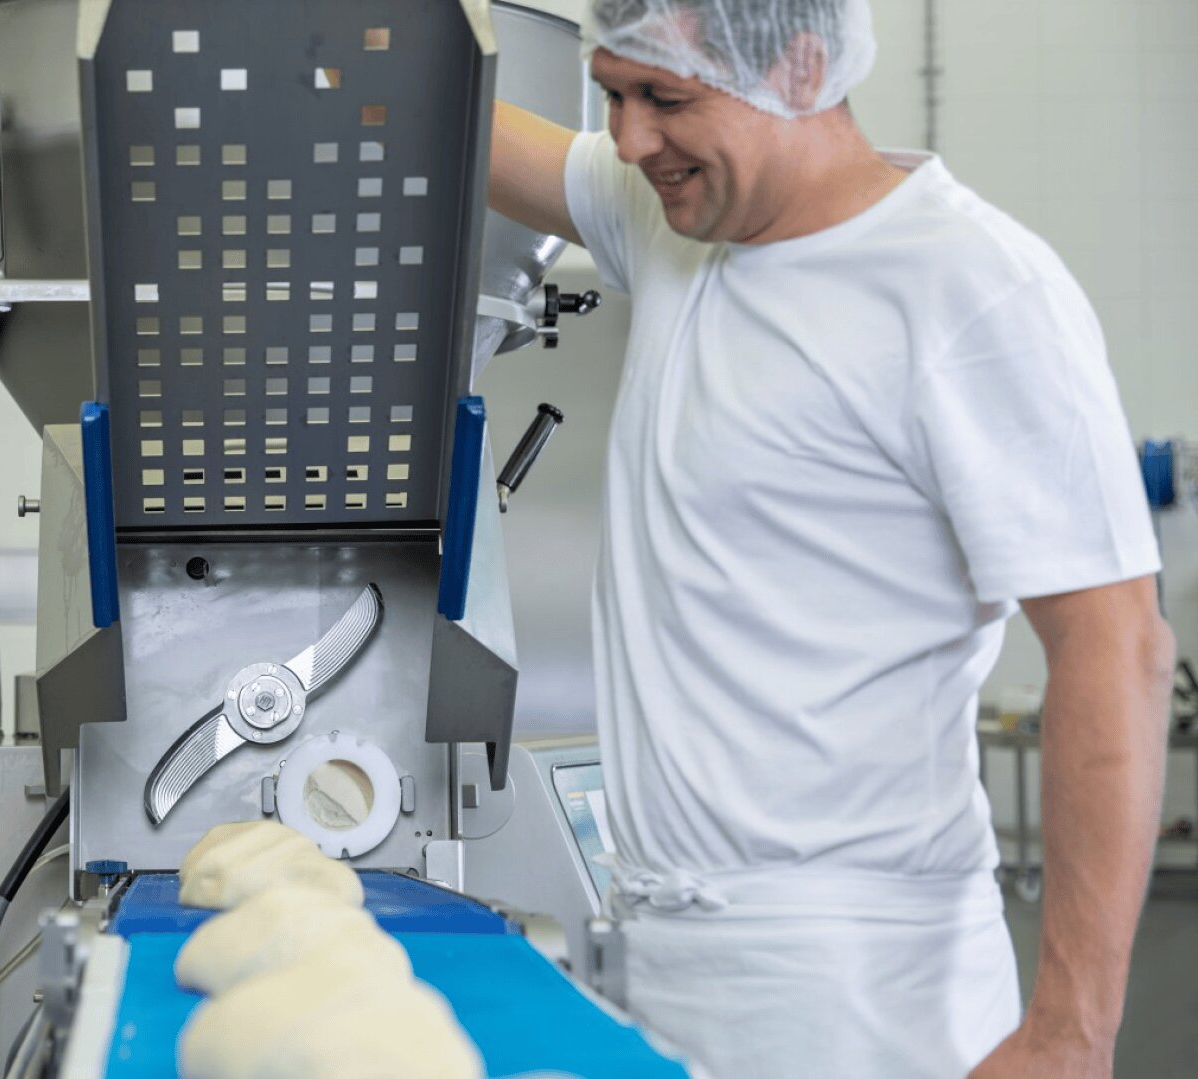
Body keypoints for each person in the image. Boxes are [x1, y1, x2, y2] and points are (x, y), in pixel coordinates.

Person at [486, 2, 1176, 1076]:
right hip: (664, 952)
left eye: (664, 97)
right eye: (611, 92)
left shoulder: (967, 288)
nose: (628, 138)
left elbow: (1115, 643)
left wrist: (1070, 1031)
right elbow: (464, 128)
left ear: (801, 68)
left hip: (866, 991)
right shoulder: (673, 224)